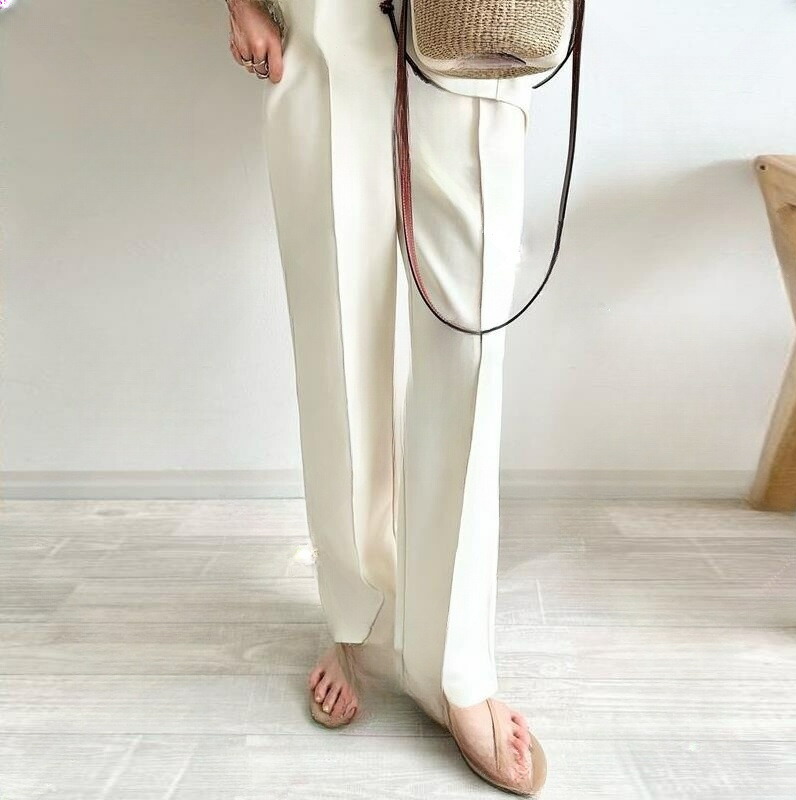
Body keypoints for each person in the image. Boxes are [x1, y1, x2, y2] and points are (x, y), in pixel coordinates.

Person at [225, 0, 546, 794]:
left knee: (470, 344)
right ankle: (359, 618)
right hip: (324, 21)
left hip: (476, 26)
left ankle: (456, 664)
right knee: (337, 338)